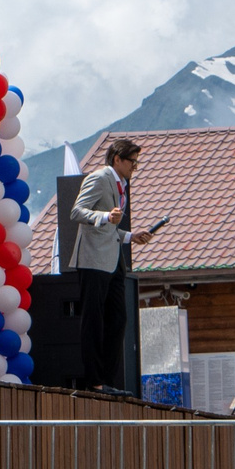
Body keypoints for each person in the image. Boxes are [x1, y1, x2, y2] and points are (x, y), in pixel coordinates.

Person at [68, 139, 138, 391]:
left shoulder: (122, 184)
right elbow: (76, 212)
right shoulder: (99, 178)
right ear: (117, 158)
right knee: (94, 321)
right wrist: (104, 216)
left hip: (113, 259)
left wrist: (129, 236)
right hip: (93, 259)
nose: (135, 167)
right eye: (132, 161)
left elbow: (111, 229)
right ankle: (95, 381)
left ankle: (108, 381)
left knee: (118, 320)